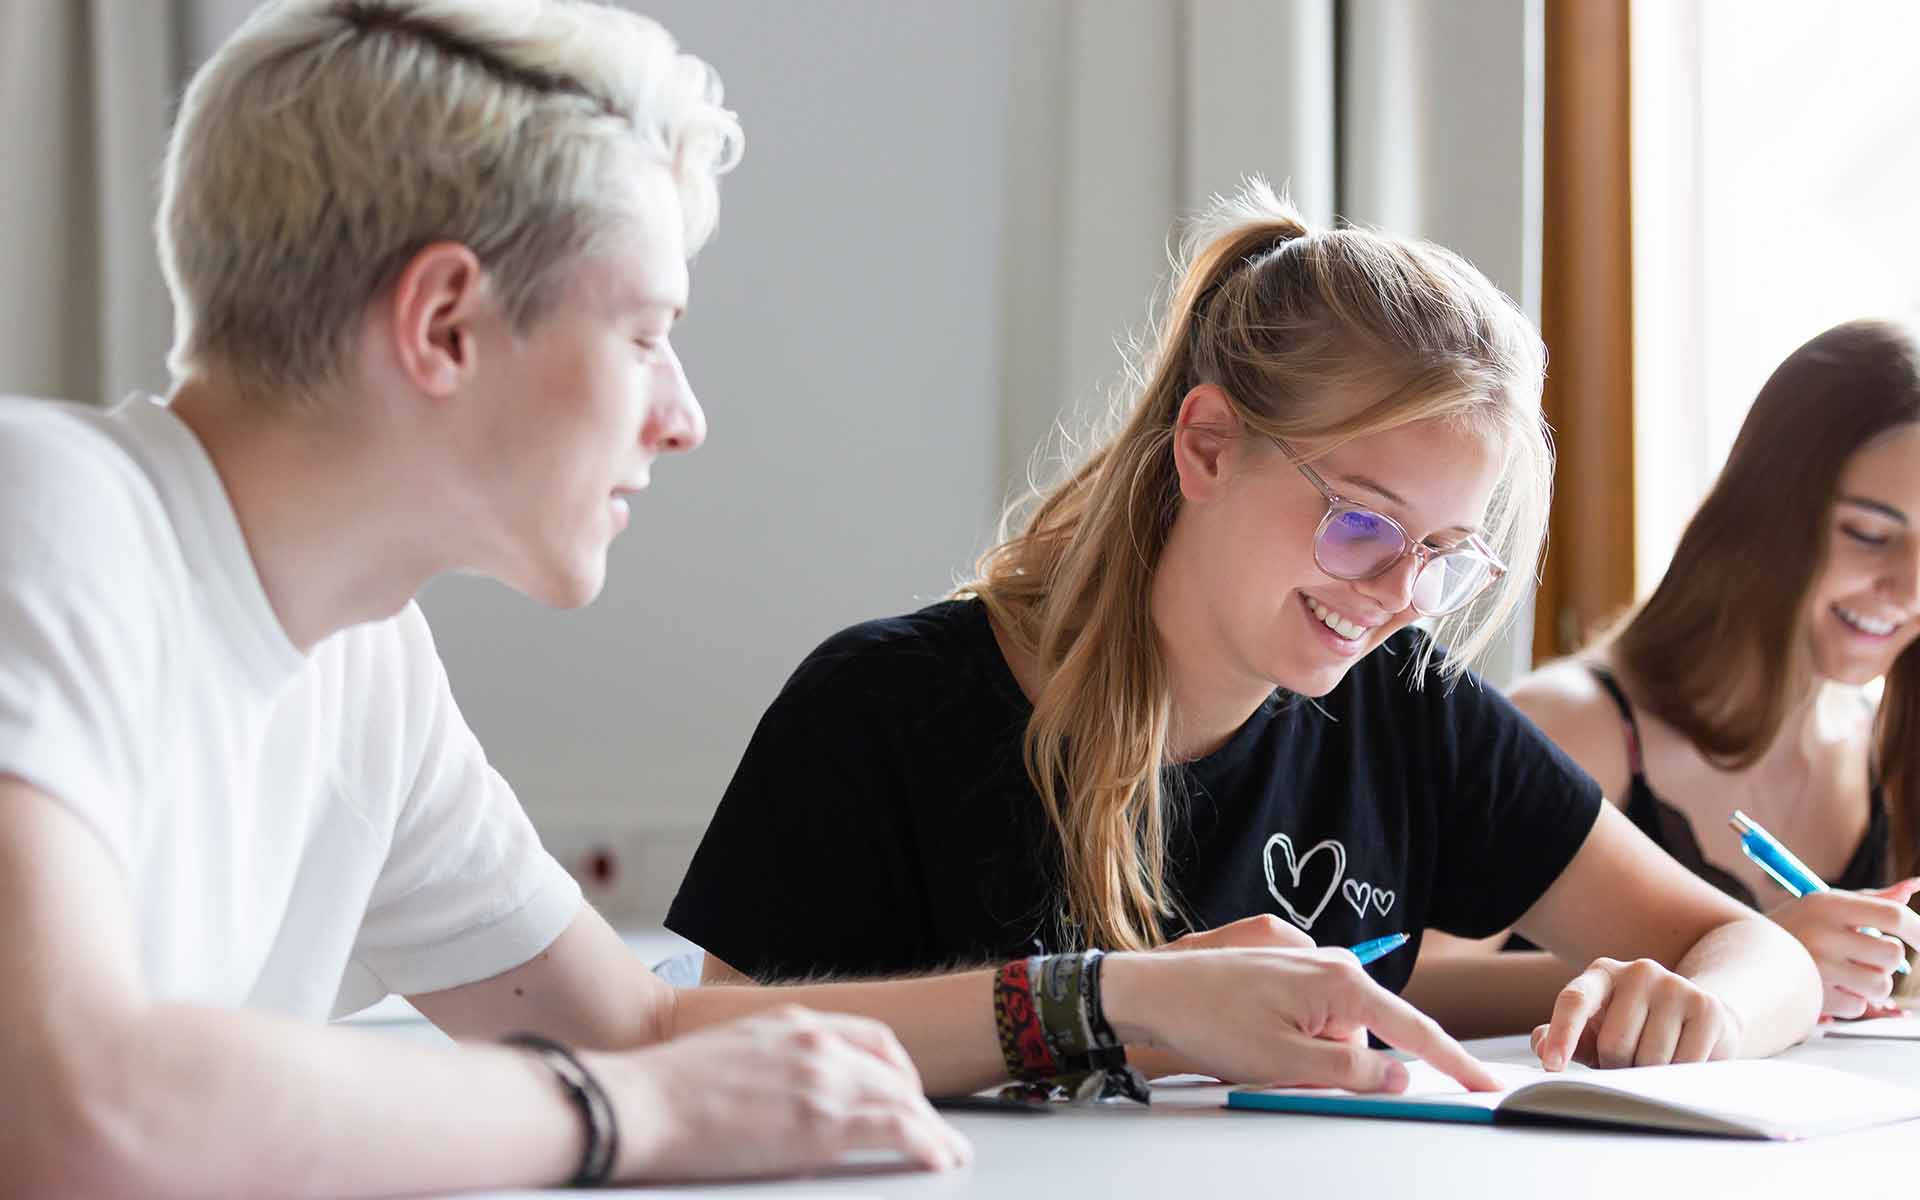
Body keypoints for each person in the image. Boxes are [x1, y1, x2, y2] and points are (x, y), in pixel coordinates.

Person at [0, 4, 1522, 1193]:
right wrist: (617, 1113)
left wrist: (1120, 1001)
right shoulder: (51, 512)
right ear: (447, 322)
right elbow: (78, 1111)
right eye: (649, 331)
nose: (683, 413)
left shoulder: (363, 665)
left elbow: (641, 1024)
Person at [667, 180, 1825, 1078]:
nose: (1394, 598)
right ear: (1209, 446)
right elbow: (704, 1046)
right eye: (1362, 523)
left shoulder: (1407, 709)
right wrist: (1110, 1009)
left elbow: (1762, 949)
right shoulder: (884, 711)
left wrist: (1705, 1011)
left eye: (1445, 556)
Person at [1418, 320, 1920, 1028]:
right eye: (1870, 535)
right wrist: (1751, 969)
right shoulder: (1574, 725)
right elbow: (1404, 987)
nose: (1910, 585)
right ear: (1766, 513)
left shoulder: (1883, 749)